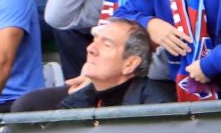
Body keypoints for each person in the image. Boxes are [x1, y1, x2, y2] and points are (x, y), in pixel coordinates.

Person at [9, 18, 161, 112]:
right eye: (94, 41)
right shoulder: (76, 102)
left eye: (106, 45)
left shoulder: (156, 106)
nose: (90, 49)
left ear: (130, 64)